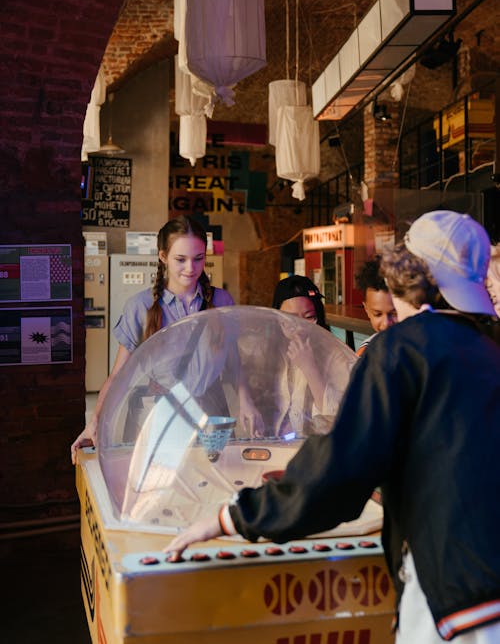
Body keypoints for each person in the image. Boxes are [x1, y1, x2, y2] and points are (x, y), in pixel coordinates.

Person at [165, 210, 500, 644]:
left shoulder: (405, 349)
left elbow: (340, 473)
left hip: (462, 600)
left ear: (408, 275)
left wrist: (232, 516)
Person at [71, 215, 237, 463]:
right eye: (180, 259)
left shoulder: (222, 301)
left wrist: (248, 405)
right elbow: (118, 374)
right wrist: (94, 423)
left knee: (214, 487)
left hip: (212, 416)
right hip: (162, 416)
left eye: (198, 258)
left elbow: (235, 364)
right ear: (162, 257)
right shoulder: (140, 307)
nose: (191, 268)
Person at [270, 275, 357, 435]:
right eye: (290, 318)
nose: (300, 327)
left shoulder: (337, 355)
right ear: (279, 320)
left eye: (309, 317)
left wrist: (309, 368)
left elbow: (340, 422)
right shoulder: (276, 352)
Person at [355, 255, 397, 355]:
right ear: (367, 310)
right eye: (378, 314)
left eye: (394, 313)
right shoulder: (367, 355)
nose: (386, 323)